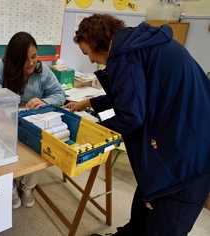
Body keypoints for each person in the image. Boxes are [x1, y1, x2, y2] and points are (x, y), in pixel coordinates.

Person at [64, 14, 210, 236]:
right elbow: (129, 98)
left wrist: (94, 129)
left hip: (186, 162)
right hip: (178, 145)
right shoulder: (139, 44)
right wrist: (90, 103)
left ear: (95, 41)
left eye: (87, 52)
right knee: (141, 215)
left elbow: (131, 116)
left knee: (163, 227)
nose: (91, 60)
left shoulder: (124, 55)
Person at [0, 31, 66, 209]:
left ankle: (27, 185)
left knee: (36, 143)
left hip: (29, 120)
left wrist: (45, 101)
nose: (31, 63)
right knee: (2, 143)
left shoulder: (43, 71)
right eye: (25, 59)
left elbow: (60, 94)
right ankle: (10, 183)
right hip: (4, 120)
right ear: (14, 58)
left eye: (34, 56)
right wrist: (3, 109)